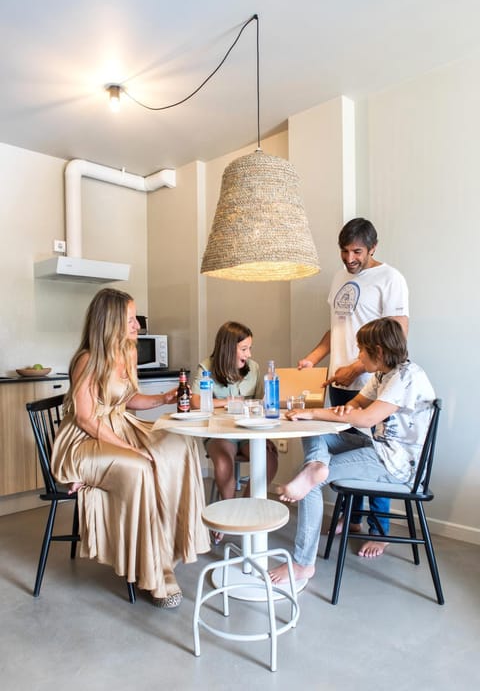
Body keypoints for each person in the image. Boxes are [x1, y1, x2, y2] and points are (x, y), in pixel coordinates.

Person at [51, 288, 210, 608]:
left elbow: (129, 401)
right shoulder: (87, 360)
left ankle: (171, 544)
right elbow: (84, 418)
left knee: (179, 443)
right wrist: (128, 448)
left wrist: (163, 398)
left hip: (117, 427)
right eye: (130, 319)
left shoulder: (129, 351)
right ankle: (156, 575)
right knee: (140, 465)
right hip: (85, 439)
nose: (138, 324)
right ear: (110, 322)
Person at [269, 317, 435, 585]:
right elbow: (356, 405)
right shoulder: (383, 373)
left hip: (397, 465)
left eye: (361, 350)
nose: (358, 356)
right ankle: (315, 467)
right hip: (379, 448)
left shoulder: (406, 376)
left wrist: (312, 411)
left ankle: (302, 565)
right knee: (313, 430)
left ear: (378, 352)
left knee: (311, 482)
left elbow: (366, 419)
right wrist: (317, 414)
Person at [297, 217, 409, 557]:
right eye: (344, 251)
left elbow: (399, 331)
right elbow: (336, 327)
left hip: (372, 383)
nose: (349, 258)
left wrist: (357, 367)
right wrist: (313, 359)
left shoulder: (390, 279)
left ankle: (379, 528)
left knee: (373, 451)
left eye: (357, 251)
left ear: (373, 248)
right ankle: (352, 516)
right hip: (339, 380)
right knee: (343, 447)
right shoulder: (339, 277)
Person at [191, 321, 278, 501]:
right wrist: (228, 401)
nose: (249, 354)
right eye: (244, 349)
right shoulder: (206, 367)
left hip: (248, 431)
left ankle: (246, 508)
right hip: (220, 431)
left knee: (269, 459)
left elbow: (261, 402)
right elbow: (195, 401)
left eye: (249, 348)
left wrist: (265, 435)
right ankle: (228, 509)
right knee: (224, 462)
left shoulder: (253, 367)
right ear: (229, 348)